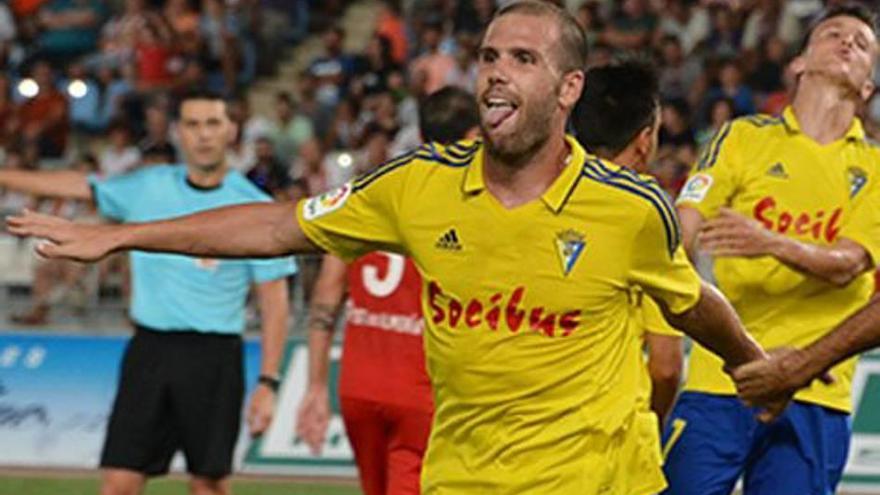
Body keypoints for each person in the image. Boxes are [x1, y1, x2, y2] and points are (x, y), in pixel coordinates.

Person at [7, 3, 766, 494]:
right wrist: (120, 235)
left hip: (599, 481)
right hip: (461, 478)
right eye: (490, 56)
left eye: (523, 60)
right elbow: (278, 225)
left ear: (569, 90)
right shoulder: (416, 185)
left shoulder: (631, 210)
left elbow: (692, 302)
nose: (498, 73)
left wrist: (751, 363)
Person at [0, 89, 296, 495]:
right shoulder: (147, 186)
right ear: (177, 132)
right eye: (193, 124)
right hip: (149, 350)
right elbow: (78, 185)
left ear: (232, 130)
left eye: (213, 123)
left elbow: (274, 300)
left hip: (215, 356)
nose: (203, 135)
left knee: (209, 486)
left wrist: (268, 382)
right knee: (119, 483)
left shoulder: (255, 209)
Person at [664, 5, 880, 495]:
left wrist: (769, 242)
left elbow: (849, 264)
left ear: (868, 87)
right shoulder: (740, 137)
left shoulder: (876, 166)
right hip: (722, 377)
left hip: (817, 388)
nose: (847, 43)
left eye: (862, 44)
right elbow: (680, 233)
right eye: (833, 34)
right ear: (798, 63)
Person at [295, 86, 479, 495]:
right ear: (474, 136)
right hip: (421, 391)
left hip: (359, 385)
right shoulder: (470, 204)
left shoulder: (378, 193)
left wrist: (314, 387)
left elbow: (327, 292)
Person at [572, 60, 684, 429]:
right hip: (610, 435)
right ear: (645, 139)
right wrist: (651, 425)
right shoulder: (646, 217)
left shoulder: (529, 197)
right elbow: (666, 367)